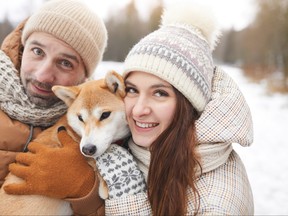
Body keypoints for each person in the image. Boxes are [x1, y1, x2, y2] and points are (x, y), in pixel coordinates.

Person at [5, 2, 254, 215]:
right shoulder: (139, 146)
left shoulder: (216, 198)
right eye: (133, 90)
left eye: (160, 93)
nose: (138, 110)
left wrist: (88, 192)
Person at [0, 0, 107, 215]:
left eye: (65, 63)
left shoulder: (103, 127)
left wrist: (85, 191)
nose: (43, 75)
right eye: (38, 51)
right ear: (23, 48)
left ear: (84, 76)